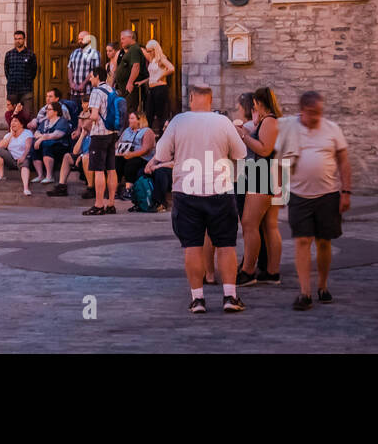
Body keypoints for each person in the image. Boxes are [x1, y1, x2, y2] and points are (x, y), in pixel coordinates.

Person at [157, 84, 248, 313]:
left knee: (192, 246)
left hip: (187, 190)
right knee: (226, 245)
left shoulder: (179, 121)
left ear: (190, 98)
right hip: (219, 188)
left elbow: (160, 154)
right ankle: (230, 296)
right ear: (211, 99)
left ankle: (197, 299)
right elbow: (240, 153)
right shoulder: (223, 122)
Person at [276, 91, 351, 311]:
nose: (316, 117)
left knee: (324, 242)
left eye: (319, 112)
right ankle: (305, 292)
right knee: (302, 241)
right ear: (302, 110)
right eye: (311, 113)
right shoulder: (290, 129)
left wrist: (346, 191)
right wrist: (279, 191)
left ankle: (323, 286)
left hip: (328, 194)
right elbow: (279, 162)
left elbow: (344, 161)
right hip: (299, 195)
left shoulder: (332, 129)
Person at [235, 87, 282, 286]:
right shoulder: (267, 121)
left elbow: (265, 149)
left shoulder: (270, 121)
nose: (253, 107)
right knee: (269, 226)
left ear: (259, 103)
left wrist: (244, 136)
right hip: (272, 173)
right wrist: (247, 131)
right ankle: (271, 272)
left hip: (262, 172)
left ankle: (248, 270)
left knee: (249, 224)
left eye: (254, 104)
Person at [83, 66, 122, 216]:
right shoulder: (111, 90)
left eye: (91, 76)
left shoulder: (96, 92)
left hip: (99, 134)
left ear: (97, 76)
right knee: (111, 169)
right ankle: (111, 204)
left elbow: (94, 116)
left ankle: (99, 204)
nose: (90, 79)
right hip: (112, 133)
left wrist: (84, 117)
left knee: (99, 170)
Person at [115, 110, 155, 201]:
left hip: (143, 157)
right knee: (116, 162)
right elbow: (118, 143)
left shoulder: (147, 131)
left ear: (139, 120)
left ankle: (129, 190)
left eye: (132, 118)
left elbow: (146, 149)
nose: (129, 120)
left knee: (131, 164)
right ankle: (115, 189)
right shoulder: (127, 130)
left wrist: (132, 155)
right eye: (129, 118)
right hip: (126, 154)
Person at [31, 98, 72, 185]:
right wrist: (41, 138)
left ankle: (49, 176)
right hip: (48, 143)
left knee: (46, 144)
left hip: (60, 145)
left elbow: (56, 135)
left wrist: (42, 138)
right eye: (46, 109)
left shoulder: (62, 121)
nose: (46, 111)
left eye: (49, 109)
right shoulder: (45, 122)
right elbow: (36, 133)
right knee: (34, 144)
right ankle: (40, 175)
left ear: (56, 111)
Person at [0, 115, 35, 195]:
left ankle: (26, 188)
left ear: (21, 124)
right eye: (12, 121)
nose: (13, 123)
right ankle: (1, 175)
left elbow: (28, 147)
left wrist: (23, 156)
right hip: (12, 160)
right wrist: (11, 135)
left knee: (25, 162)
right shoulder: (8, 135)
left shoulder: (27, 133)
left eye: (15, 121)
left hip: (24, 158)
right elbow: (1, 146)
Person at [113, 30, 146, 127]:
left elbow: (136, 66)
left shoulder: (135, 49)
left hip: (130, 90)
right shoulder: (131, 50)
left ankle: (130, 133)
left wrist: (130, 83)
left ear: (130, 38)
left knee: (130, 113)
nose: (121, 41)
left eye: (123, 39)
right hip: (125, 90)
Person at [144, 39, 175, 134]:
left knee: (161, 115)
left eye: (150, 51)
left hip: (160, 89)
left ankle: (162, 137)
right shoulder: (151, 59)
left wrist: (161, 75)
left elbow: (171, 68)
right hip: (152, 89)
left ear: (155, 49)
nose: (149, 53)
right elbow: (151, 75)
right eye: (147, 51)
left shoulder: (161, 59)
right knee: (149, 113)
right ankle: (149, 136)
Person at [3, 31, 38, 110]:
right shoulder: (9, 54)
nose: (17, 41)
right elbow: (6, 71)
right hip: (12, 89)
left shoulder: (31, 54)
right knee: (12, 113)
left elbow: (34, 72)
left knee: (26, 114)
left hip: (26, 90)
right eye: (15, 39)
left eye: (20, 39)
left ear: (24, 39)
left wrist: (27, 80)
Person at [67, 30, 100, 105]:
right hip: (74, 92)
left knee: (86, 114)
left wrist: (83, 84)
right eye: (79, 39)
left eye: (82, 39)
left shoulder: (94, 53)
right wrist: (71, 83)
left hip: (87, 92)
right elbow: (70, 68)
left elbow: (94, 71)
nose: (80, 41)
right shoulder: (75, 52)